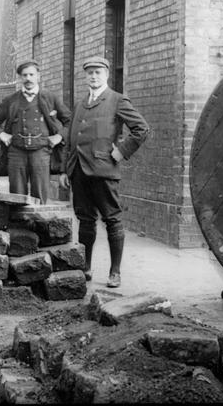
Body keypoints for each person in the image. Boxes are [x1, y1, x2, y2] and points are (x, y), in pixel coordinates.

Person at [59, 56, 149, 288]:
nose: (93, 76)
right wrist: (65, 170)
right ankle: (85, 267)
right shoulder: (80, 104)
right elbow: (71, 139)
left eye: (98, 72)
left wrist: (120, 152)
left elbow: (141, 129)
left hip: (104, 172)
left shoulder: (117, 100)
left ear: (106, 75)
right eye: (89, 72)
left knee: (112, 220)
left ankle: (115, 272)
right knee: (85, 220)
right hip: (79, 171)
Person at [0, 60, 71, 204]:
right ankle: (20, 225)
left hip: (41, 152)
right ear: (20, 78)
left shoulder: (50, 98)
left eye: (31, 74)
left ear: (39, 76)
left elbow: (70, 121)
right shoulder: (10, 100)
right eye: (24, 75)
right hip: (16, 153)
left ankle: (39, 225)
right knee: (17, 197)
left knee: (40, 194)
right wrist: (2, 134)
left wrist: (59, 136)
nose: (28, 78)